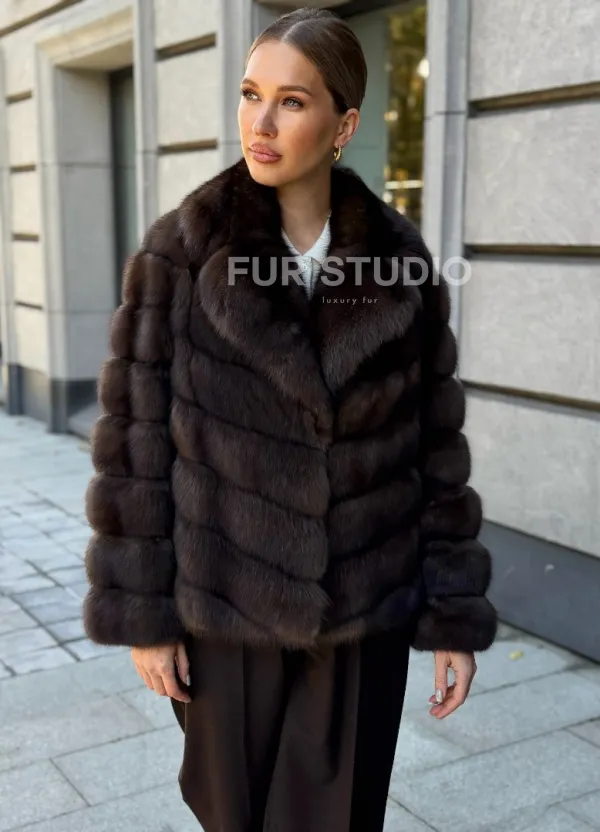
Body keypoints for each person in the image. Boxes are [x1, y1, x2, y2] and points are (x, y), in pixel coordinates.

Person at [82, 7, 497, 831]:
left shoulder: (401, 264)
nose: (260, 123)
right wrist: (144, 615)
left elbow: (435, 451)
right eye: (250, 94)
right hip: (226, 613)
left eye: (292, 101)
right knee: (234, 816)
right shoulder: (178, 255)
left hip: (362, 616)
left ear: (344, 126)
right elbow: (134, 448)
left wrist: (452, 612)